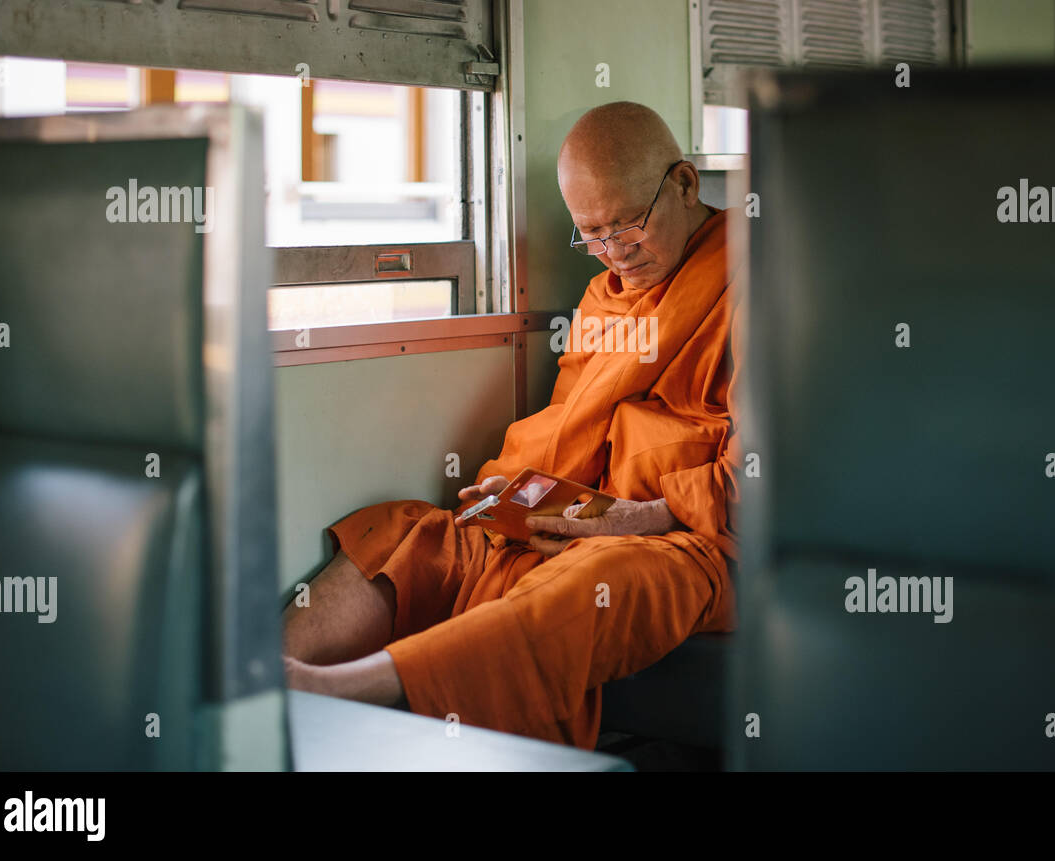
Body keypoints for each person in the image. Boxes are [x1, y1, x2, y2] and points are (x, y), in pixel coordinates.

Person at [283, 101, 744, 749]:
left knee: (586, 585)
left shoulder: (758, 281)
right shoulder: (604, 294)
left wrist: (635, 518)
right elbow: (566, 423)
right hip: (590, 510)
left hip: (689, 538)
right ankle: (257, 677)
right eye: (591, 235)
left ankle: (339, 690)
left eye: (627, 230)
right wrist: (515, 492)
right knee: (415, 534)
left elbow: (765, 475)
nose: (613, 254)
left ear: (686, 184)